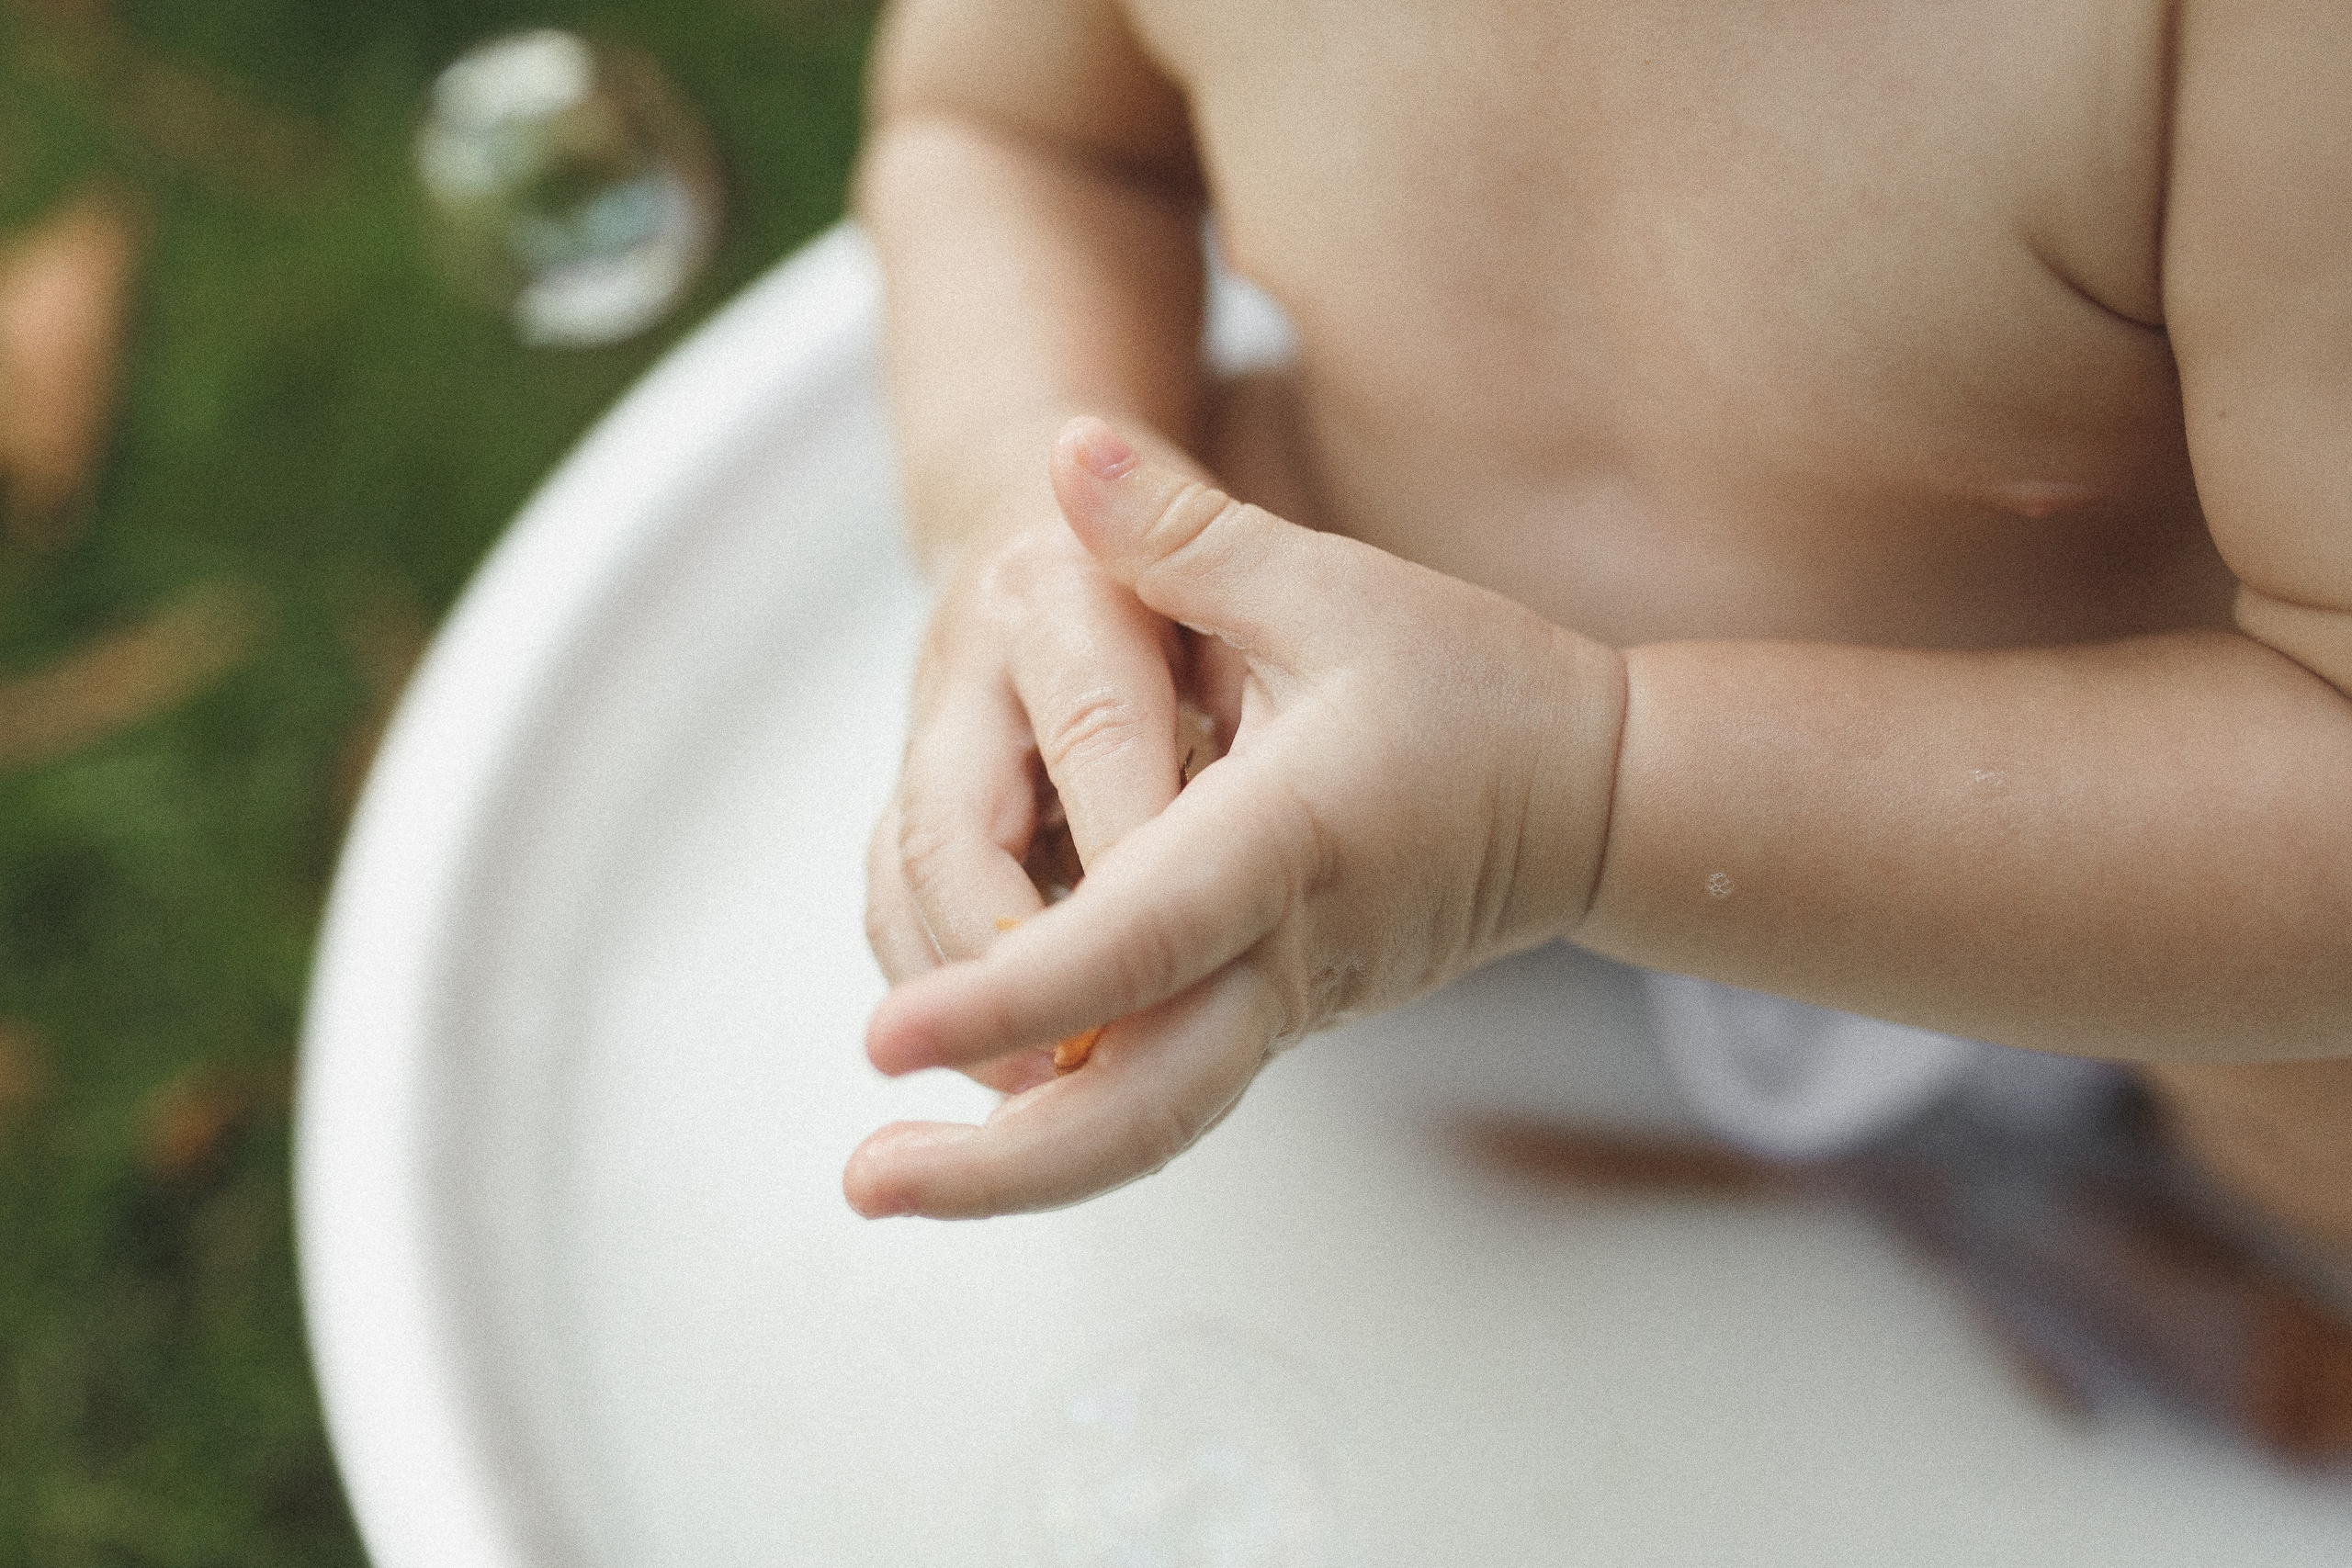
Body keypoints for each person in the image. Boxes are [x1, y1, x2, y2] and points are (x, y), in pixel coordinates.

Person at [841, 0, 2352, 1230]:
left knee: (2316, 1137)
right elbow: (1018, 135)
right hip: (1379, 769)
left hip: (2104, 888)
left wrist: (1589, 803)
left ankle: (2116, 1265)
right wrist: (1032, 522)